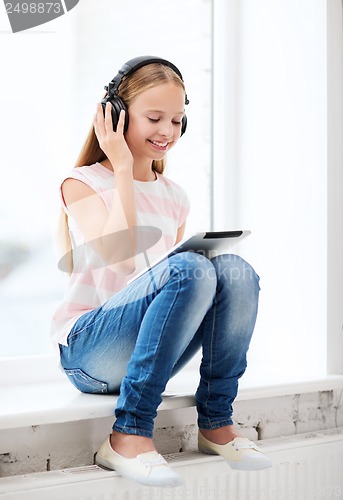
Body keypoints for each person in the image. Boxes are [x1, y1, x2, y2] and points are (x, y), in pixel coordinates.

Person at [52, 56, 272, 488]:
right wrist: (120, 169)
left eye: (177, 120)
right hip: (87, 353)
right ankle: (128, 433)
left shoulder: (175, 197)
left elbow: (170, 298)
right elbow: (122, 260)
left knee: (233, 268)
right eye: (154, 118)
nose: (167, 132)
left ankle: (216, 422)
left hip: (146, 355)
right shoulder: (80, 183)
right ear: (115, 117)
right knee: (190, 266)